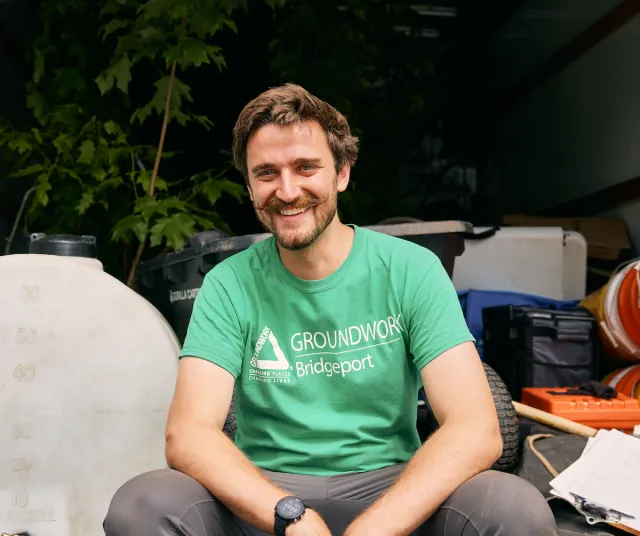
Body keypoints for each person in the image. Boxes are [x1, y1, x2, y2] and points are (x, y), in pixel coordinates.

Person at [104, 84, 557, 536]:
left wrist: (370, 532)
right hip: (267, 496)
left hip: (391, 491)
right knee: (142, 505)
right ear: (249, 186)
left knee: (514, 507)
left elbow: (476, 429)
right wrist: (291, 518)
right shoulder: (229, 283)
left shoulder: (410, 269)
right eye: (266, 173)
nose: (286, 190)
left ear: (341, 172)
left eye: (305, 167)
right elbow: (188, 435)